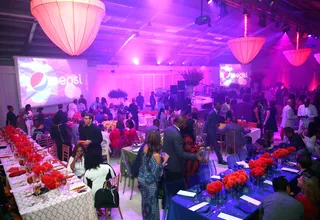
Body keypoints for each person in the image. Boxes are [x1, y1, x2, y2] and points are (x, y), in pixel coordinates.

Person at [163, 115, 205, 181]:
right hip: (175, 165)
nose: (185, 126)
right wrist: (196, 156)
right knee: (176, 186)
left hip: (167, 162)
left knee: (169, 184)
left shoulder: (168, 129)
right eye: (185, 124)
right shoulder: (177, 135)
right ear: (180, 123)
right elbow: (181, 153)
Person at [138, 132, 169, 220]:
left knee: (145, 203)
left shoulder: (145, 147)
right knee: (152, 205)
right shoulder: (156, 155)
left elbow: (146, 163)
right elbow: (157, 175)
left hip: (142, 178)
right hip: (150, 182)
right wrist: (164, 162)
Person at [181, 120, 202, 187]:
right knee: (190, 178)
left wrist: (198, 146)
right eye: (193, 126)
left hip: (193, 159)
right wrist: (197, 149)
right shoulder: (187, 137)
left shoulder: (189, 136)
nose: (194, 127)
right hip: (190, 161)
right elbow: (188, 151)